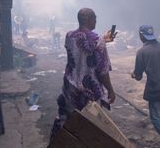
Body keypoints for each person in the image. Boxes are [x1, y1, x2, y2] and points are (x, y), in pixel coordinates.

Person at [50, 8, 117, 139]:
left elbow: (85, 45)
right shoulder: (98, 41)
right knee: (89, 126)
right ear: (87, 19)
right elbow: (102, 71)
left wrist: (103, 40)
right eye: (94, 18)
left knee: (68, 121)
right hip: (89, 91)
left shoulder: (69, 36)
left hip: (69, 88)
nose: (96, 21)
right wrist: (110, 90)